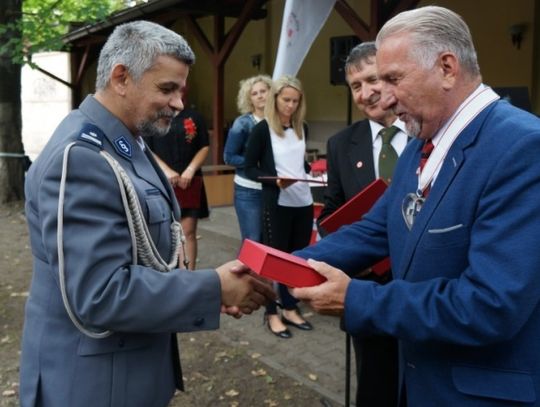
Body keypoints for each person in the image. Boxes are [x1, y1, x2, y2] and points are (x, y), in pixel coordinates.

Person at [291, 6, 540, 406]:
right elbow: (376, 229)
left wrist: (356, 299)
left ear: (446, 67)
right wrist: (279, 268)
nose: (384, 99)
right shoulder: (422, 142)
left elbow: (491, 305)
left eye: (393, 79)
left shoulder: (523, 148)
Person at [19, 20, 274, 407]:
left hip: (124, 374)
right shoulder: (82, 157)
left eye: (180, 90)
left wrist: (201, 292)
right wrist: (212, 287)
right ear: (121, 77)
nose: (178, 103)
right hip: (93, 387)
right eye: (167, 88)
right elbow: (100, 293)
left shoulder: (125, 141)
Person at [317, 41, 407, 407]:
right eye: (355, 86)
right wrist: (353, 253)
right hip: (364, 285)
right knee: (374, 385)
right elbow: (329, 214)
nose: (366, 93)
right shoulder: (341, 144)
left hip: (422, 286)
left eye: (372, 80)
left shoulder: (426, 132)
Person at [245, 75, 314, 339]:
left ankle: (290, 306)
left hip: (303, 201)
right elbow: (249, 167)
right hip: (277, 203)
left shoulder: (301, 127)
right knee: (275, 260)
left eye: (296, 101)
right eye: (286, 100)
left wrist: (313, 173)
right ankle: (271, 311)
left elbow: (300, 164)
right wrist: (274, 180)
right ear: (275, 99)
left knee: (297, 258)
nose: (291, 106)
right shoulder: (262, 129)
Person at [146, 106, 210, 269]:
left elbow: (204, 146)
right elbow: (146, 149)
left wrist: (190, 170)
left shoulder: (194, 115)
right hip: (161, 179)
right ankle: (166, 274)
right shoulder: (153, 115)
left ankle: (188, 276)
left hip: (189, 180)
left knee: (188, 232)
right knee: (162, 232)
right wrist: (166, 171)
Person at [224, 75, 273, 242]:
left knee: (271, 241)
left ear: (271, 92)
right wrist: (254, 162)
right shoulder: (242, 123)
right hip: (248, 190)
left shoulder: (279, 121)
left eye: (263, 91)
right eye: (254, 93)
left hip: (273, 189)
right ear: (249, 99)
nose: (260, 96)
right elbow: (228, 157)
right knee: (253, 240)